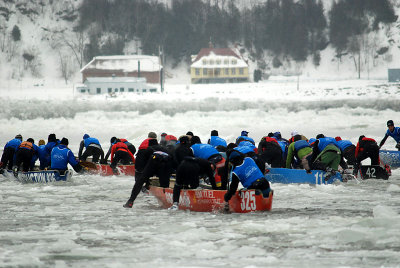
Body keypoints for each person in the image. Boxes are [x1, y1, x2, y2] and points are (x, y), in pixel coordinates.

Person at [123, 141, 173, 208]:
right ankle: (167, 202)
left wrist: (145, 177)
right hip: (166, 162)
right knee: (164, 184)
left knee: (140, 181)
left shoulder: (149, 149)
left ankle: (130, 202)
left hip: (154, 160)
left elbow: (144, 164)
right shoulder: (166, 149)